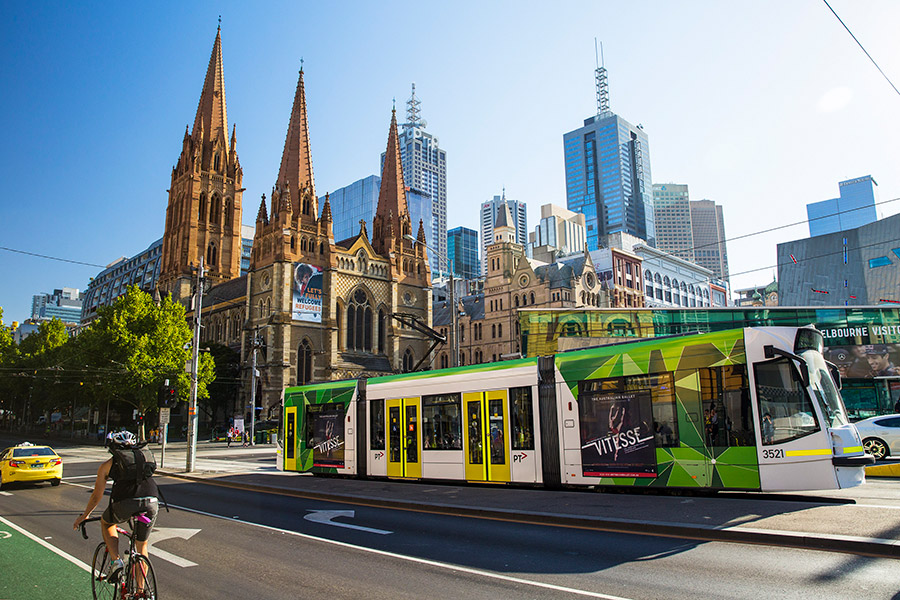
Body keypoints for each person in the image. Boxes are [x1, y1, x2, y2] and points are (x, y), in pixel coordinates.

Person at [73, 430, 159, 580]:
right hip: (152, 501)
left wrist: (85, 516)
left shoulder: (108, 465)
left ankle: (116, 561)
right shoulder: (143, 457)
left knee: (107, 523)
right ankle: (140, 592)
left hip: (125, 502)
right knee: (142, 547)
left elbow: (96, 496)